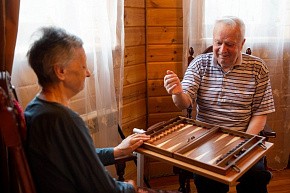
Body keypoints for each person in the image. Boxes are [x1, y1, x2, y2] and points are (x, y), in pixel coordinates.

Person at [24, 26, 151, 193]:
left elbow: (77, 158)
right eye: (83, 66)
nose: (88, 73)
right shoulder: (63, 120)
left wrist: (117, 151)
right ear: (60, 71)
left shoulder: (35, 109)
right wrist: (131, 187)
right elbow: (104, 189)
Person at [164, 16, 275, 193]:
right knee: (208, 182)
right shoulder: (200, 64)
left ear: (242, 43)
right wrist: (177, 92)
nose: (223, 50)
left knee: (256, 178)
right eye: (218, 42)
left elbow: (261, 113)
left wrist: (243, 145)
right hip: (206, 142)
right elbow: (183, 103)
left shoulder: (258, 68)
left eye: (230, 44)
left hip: (244, 138)